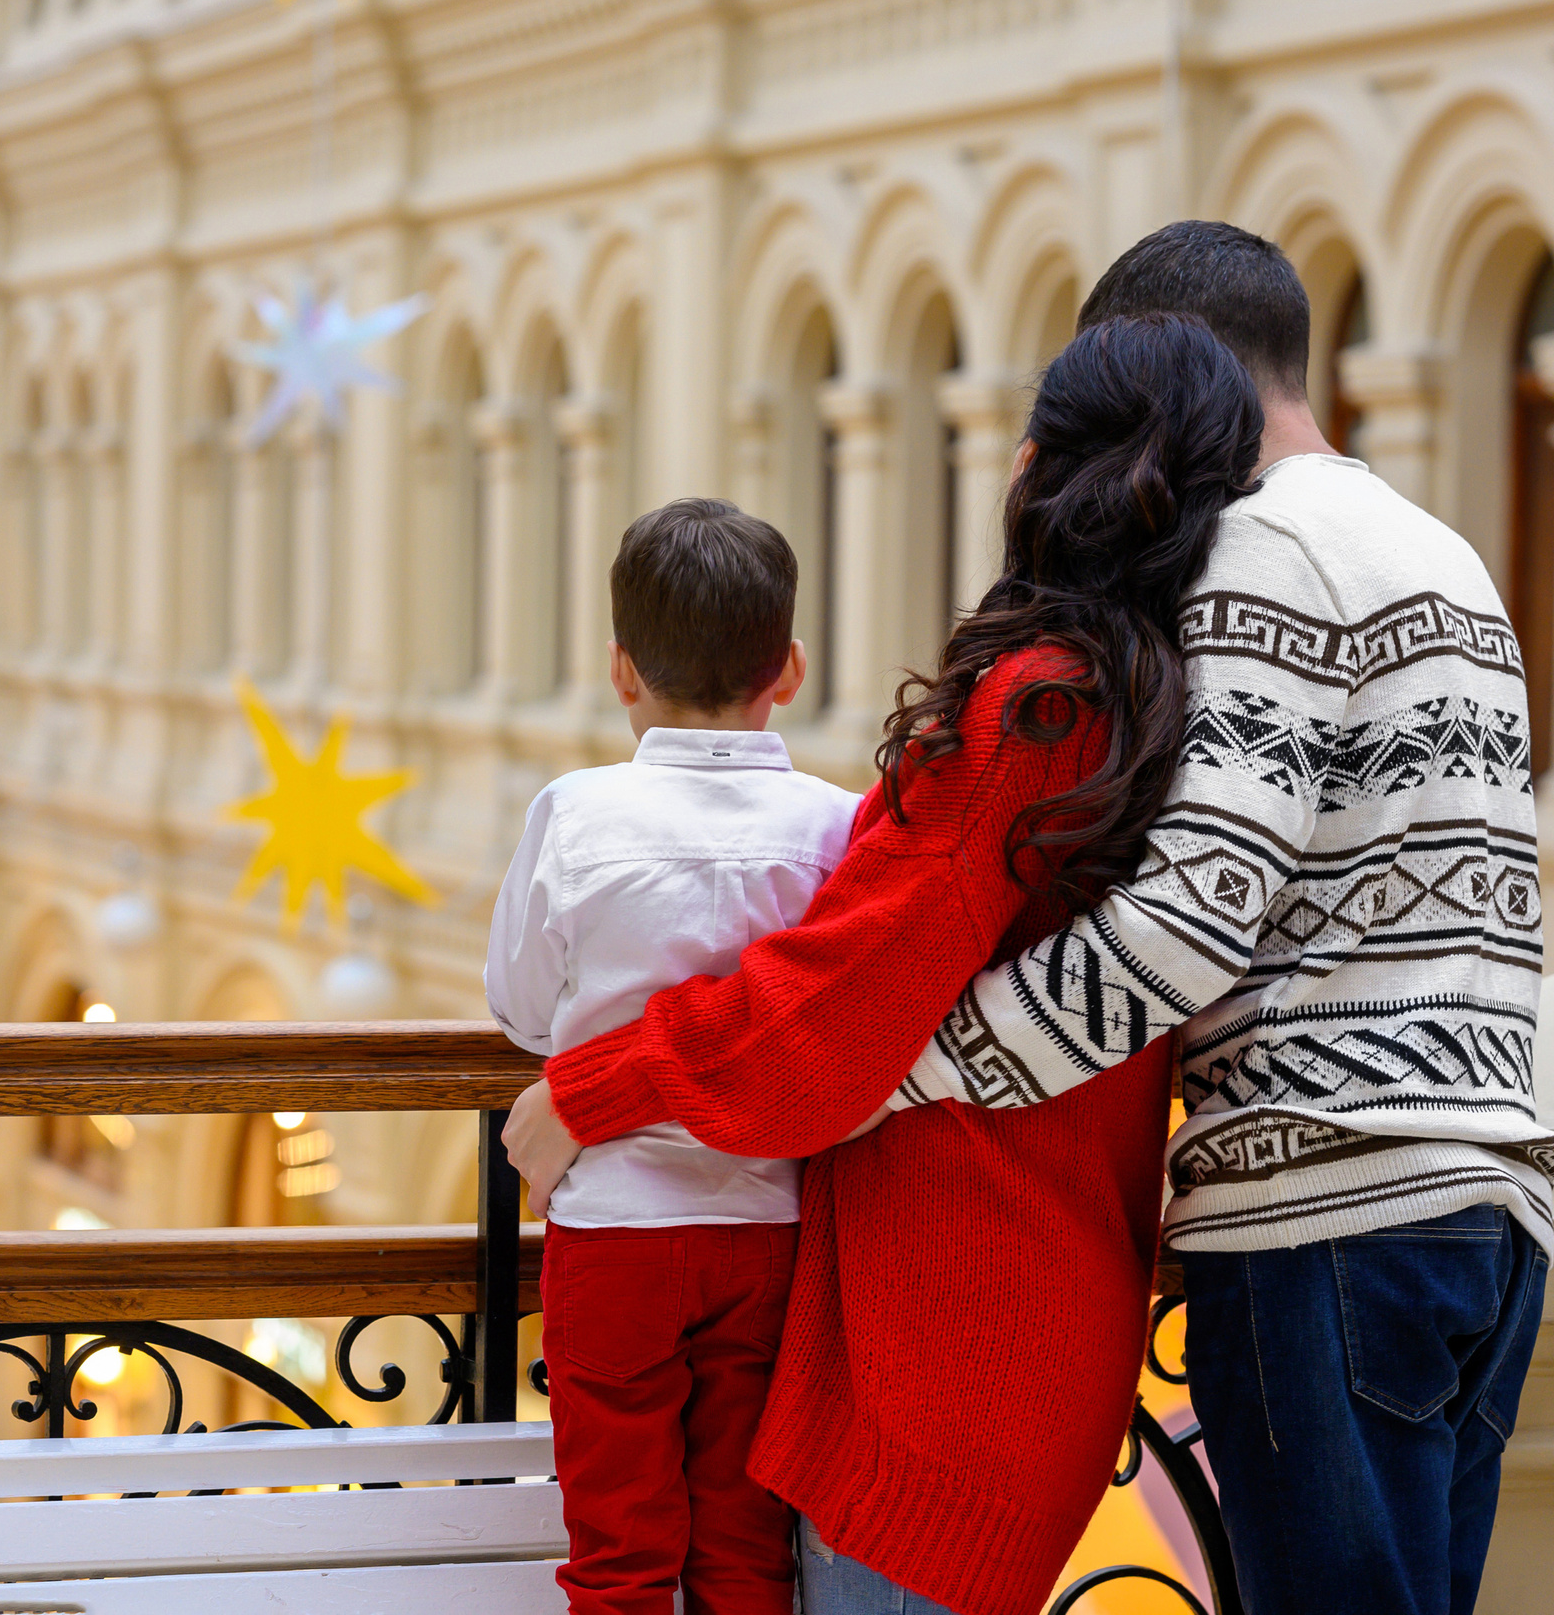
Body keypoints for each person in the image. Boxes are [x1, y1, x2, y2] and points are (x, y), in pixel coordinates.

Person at [510, 222, 1554, 1615]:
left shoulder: (1225, 586)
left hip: (1314, 1217)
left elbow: (1184, 926)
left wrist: (894, 1070)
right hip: (1489, 1194)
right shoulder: (1439, 553)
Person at [509, 310, 1270, 1615]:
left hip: (941, 1352)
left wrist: (591, 1089)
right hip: (1030, 1316)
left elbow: (839, 1000)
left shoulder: (1040, 705)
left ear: (1038, 467)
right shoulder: (1161, 690)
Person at [486, 497, 862, 1615]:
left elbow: (518, 1008)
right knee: (746, 1548)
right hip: (770, 1231)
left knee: (618, 1554)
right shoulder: (838, 829)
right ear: (788, 669)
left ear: (620, 670)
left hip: (614, 1236)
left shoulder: (577, 811)